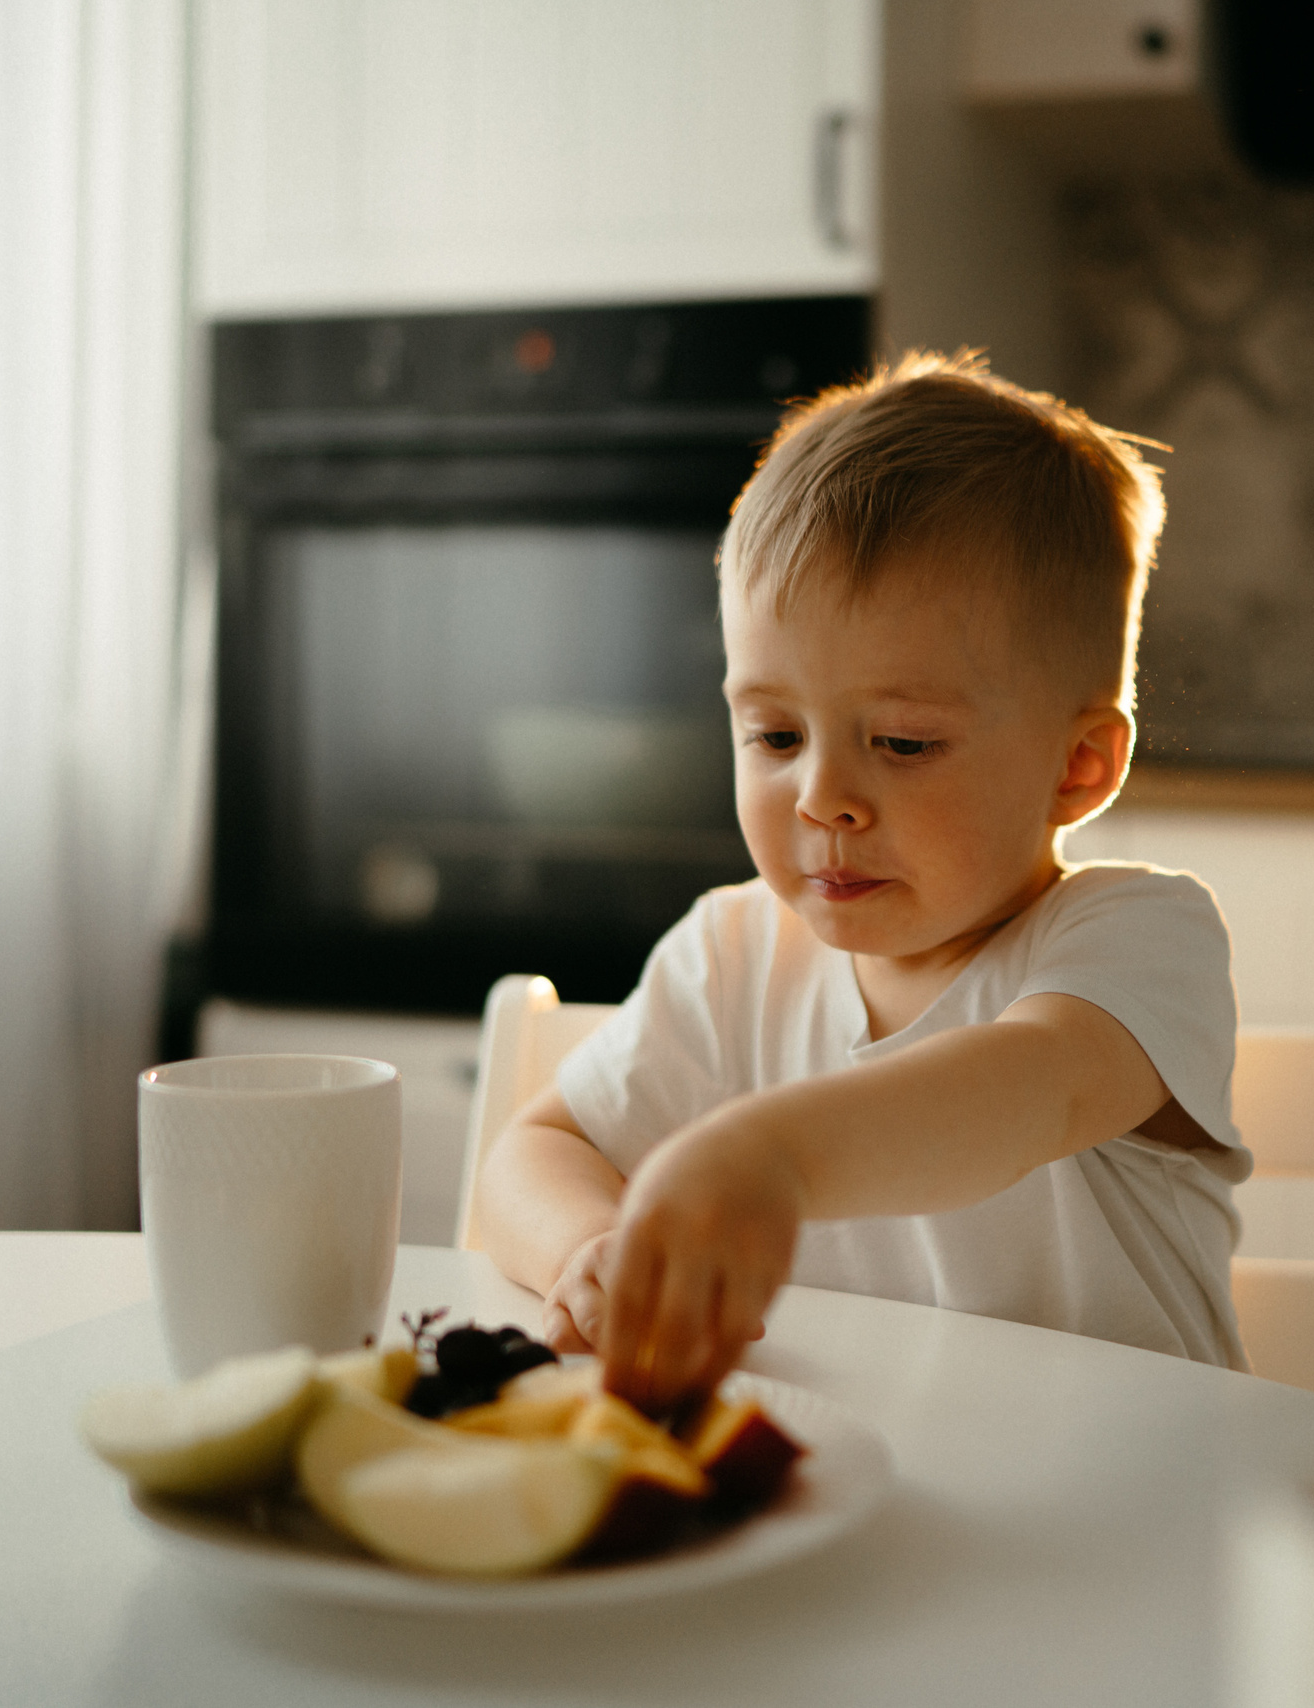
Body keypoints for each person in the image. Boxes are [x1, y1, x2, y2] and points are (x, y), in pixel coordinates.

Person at [473, 351, 1249, 1412]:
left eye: (902, 741)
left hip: (1122, 1532)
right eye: (776, 732)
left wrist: (770, 1156)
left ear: (1079, 767)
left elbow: (1022, 1090)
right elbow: (534, 1149)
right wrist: (593, 1247)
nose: (821, 796)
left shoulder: (1135, 940)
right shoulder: (733, 953)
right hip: (862, 1514)